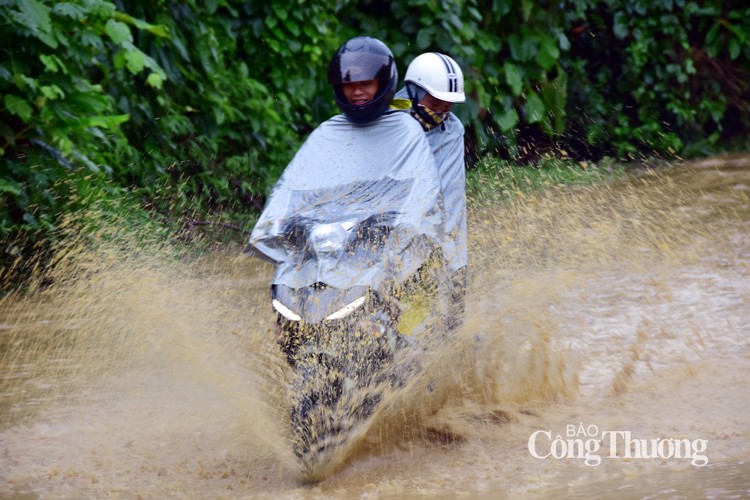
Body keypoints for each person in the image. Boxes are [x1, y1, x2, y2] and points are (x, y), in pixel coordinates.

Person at [248, 36, 444, 310]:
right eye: (349, 85)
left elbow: (420, 188)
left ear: (384, 83)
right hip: (332, 236)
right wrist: (281, 219)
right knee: (290, 278)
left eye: (365, 83)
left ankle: (391, 328)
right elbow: (292, 185)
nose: (357, 92)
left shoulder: (405, 129)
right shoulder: (327, 132)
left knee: (398, 294)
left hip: (378, 238)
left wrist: (400, 222)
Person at [394, 52, 468, 328]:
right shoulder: (381, 121)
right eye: (434, 104)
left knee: (416, 329)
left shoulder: (450, 133)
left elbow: (449, 202)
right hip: (376, 241)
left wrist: (448, 261)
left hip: (428, 245)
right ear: (412, 92)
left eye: (446, 108)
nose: (439, 114)